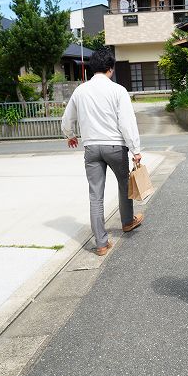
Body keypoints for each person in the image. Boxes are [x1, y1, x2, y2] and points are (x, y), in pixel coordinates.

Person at [61, 47, 144, 257]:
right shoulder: (117, 90)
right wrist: (135, 149)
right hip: (115, 146)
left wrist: (70, 135)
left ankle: (101, 243)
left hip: (91, 148)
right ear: (110, 68)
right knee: (124, 185)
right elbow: (126, 122)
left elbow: (67, 118)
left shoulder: (80, 91)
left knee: (95, 195)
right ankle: (127, 222)